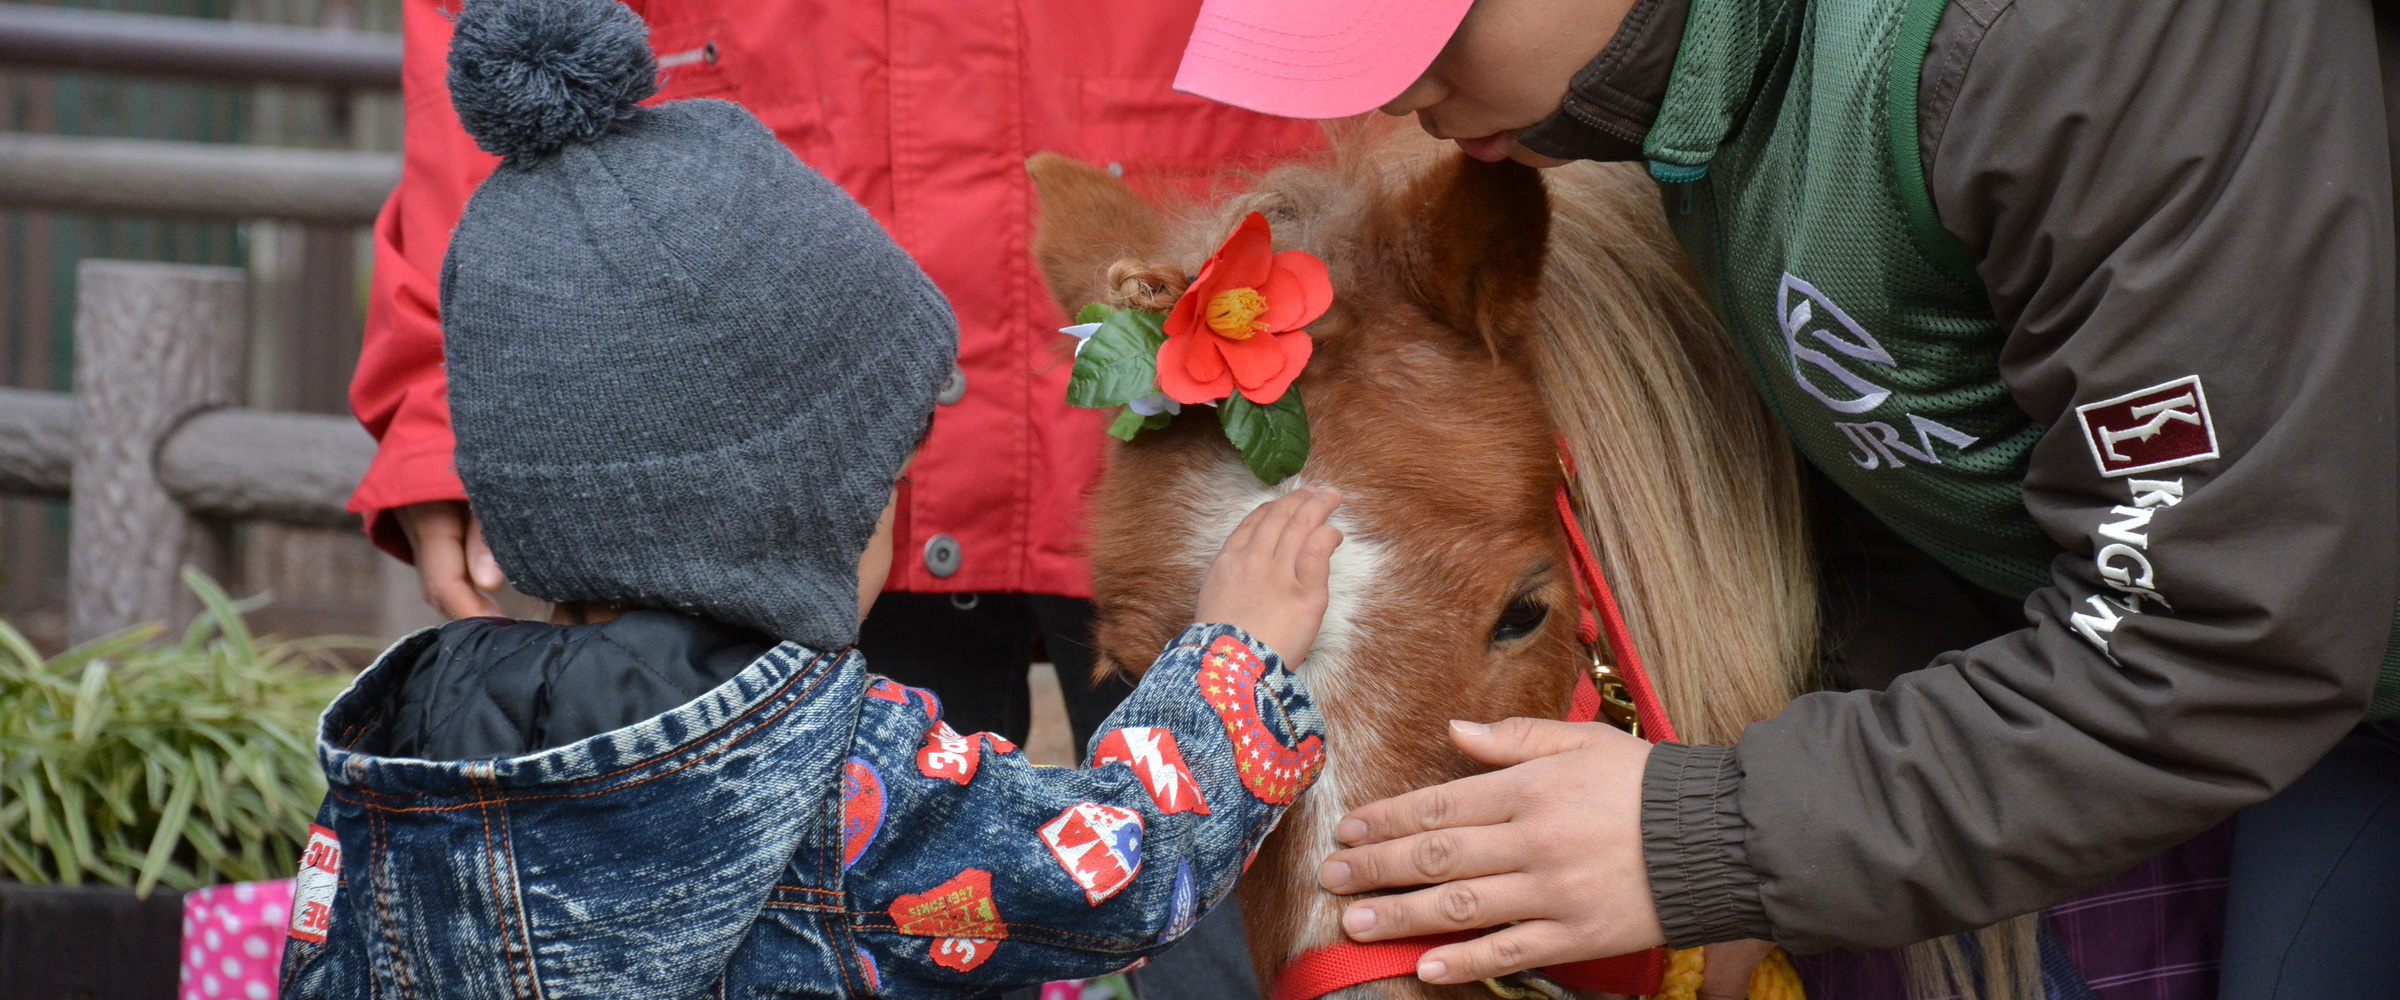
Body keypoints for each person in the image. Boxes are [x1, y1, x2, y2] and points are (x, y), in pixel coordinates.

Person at [1171, 0, 2400, 996]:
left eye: (1431, 36)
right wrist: (1766, 818)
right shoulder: (1699, 96)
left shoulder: (2070, 39)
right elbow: (1906, 466)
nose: (1401, 97)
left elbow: (2222, 625)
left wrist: (1712, 838)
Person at [278, 1, 1346, 995]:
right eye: (890, 466)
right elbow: (1116, 867)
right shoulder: (853, 784)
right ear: (814, 513)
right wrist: (1236, 660)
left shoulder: (395, 746)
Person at [346, 0, 1321, 761]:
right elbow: (498, 48)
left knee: (1258, 937)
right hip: (772, 418)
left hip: (1204, 341)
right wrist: (455, 393)